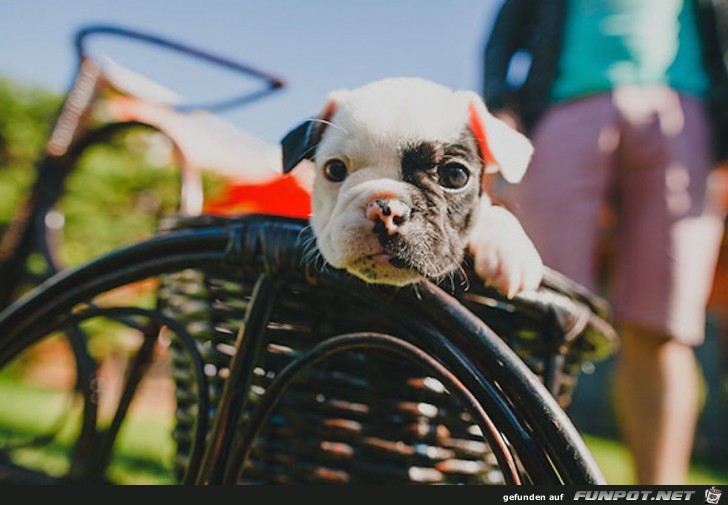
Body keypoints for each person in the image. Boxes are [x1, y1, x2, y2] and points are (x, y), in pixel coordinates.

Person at [482, 0, 728, 485]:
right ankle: (527, 482)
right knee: (539, 313)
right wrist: (499, 102)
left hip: (683, 112)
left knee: (663, 326)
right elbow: (510, 23)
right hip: (562, 106)